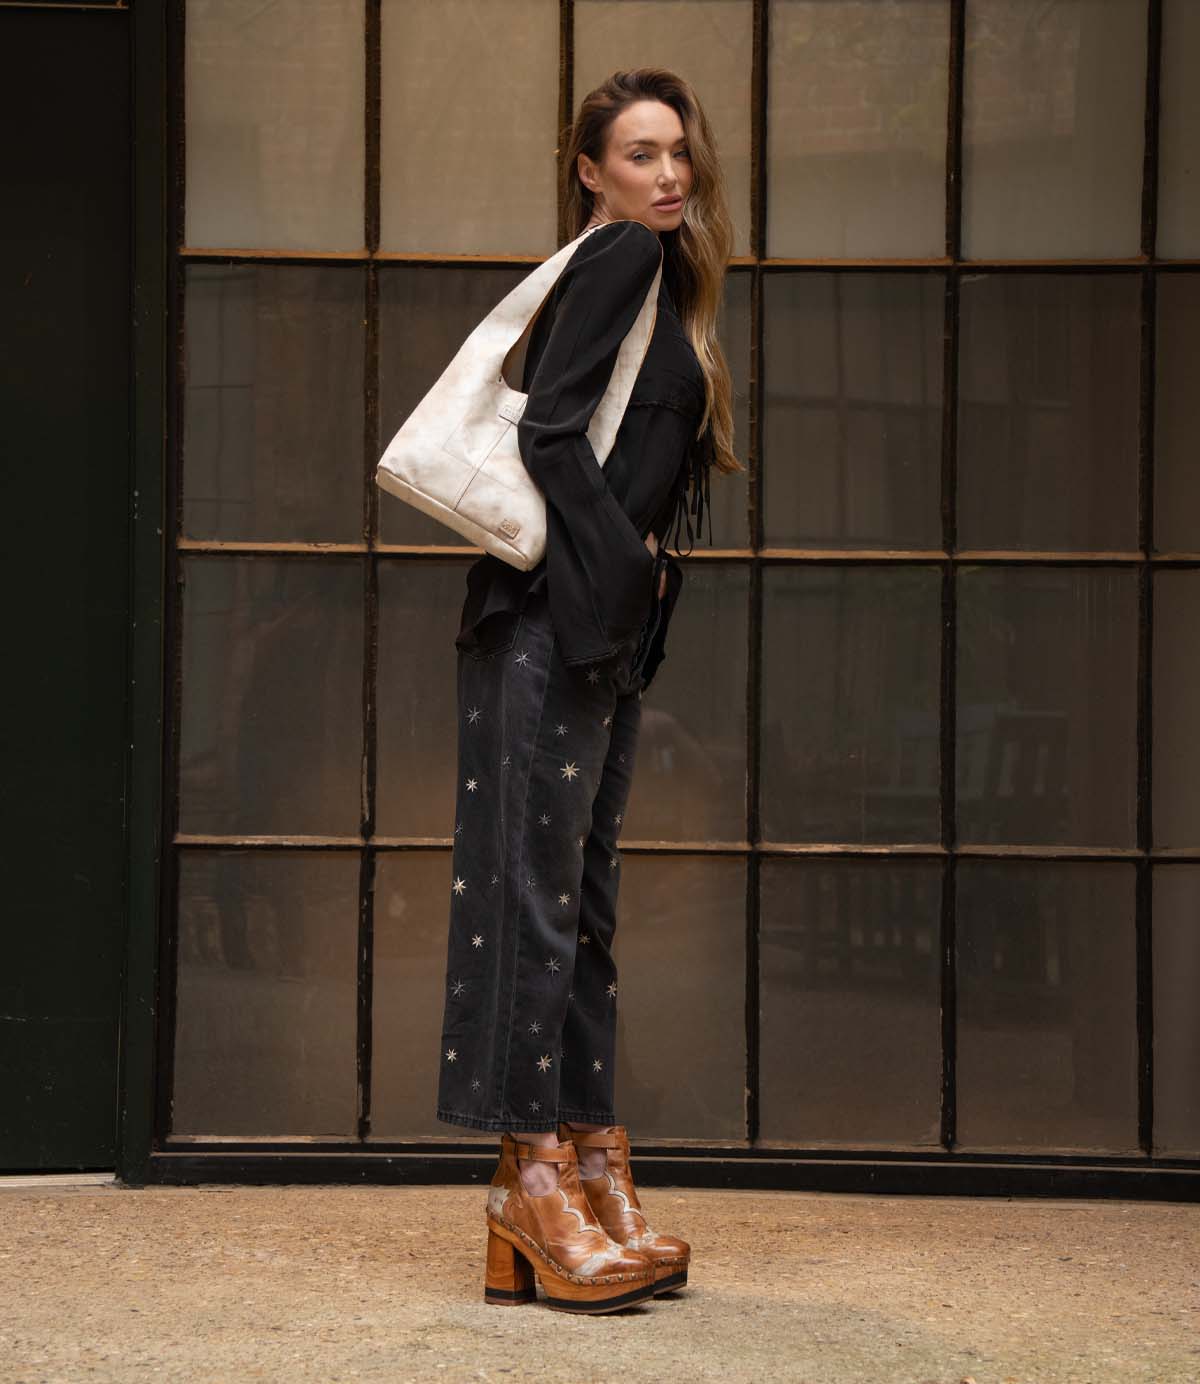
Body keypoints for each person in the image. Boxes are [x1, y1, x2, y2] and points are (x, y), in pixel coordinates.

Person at [435, 67, 742, 1314]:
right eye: (639, 154)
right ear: (590, 171)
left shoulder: (666, 277)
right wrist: (626, 570)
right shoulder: (618, 256)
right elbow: (551, 432)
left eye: (678, 152)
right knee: (536, 905)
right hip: (547, 624)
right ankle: (531, 1181)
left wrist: (629, 592)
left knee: (583, 911)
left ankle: (591, 1161)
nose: (667, 174)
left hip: (591, 631)